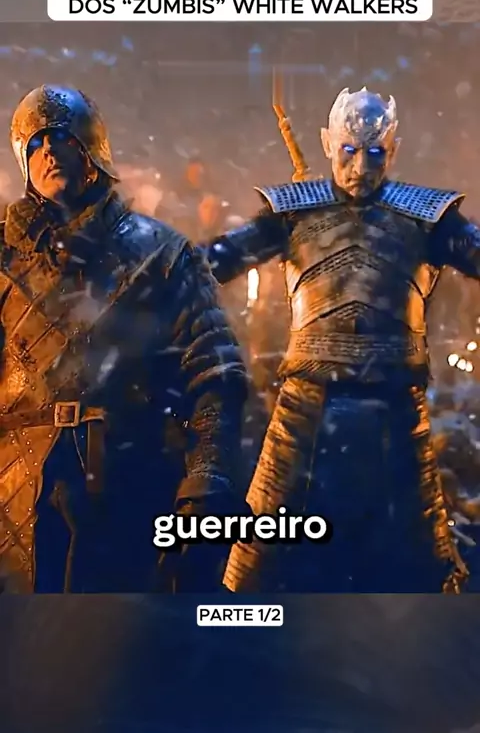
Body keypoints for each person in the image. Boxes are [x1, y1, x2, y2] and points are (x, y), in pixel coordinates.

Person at [205, 86, 476, 594]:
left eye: (374, 152)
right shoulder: (291, 213)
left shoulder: (428, 218)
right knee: (261, 572)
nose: (360, 167)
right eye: (349, 151)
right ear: (328, 143)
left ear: (393, 149)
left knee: (416, 575)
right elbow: (211, 263)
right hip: (303, 413)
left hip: (397, 412)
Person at [0, 85, 248, 593]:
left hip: (125, 484)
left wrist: (206, 486)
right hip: (13, 491)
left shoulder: (162, 253)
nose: (49, 152)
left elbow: (215, 377)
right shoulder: (3, 255)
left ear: (91, 151)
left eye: (61, 138)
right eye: (36, 143)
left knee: (112, 634)